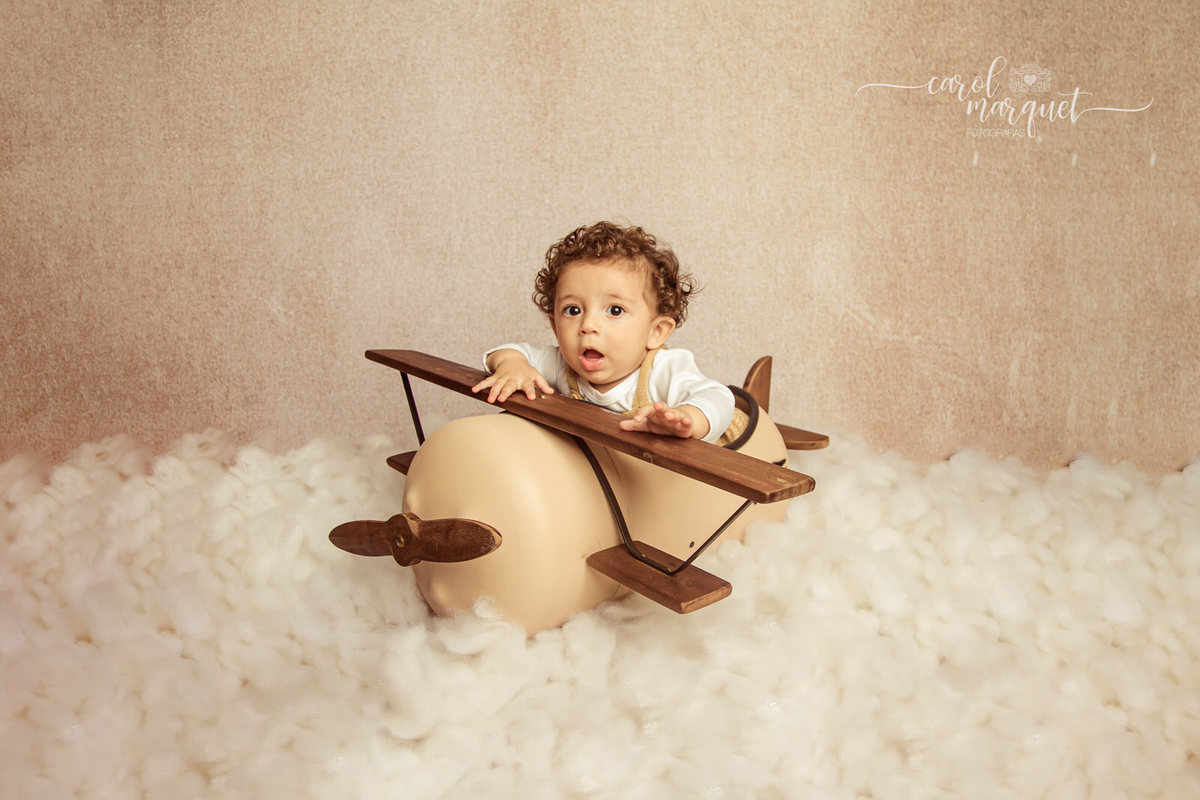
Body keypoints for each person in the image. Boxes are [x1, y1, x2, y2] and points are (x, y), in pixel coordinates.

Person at [471, 221, 745, 445]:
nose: (588, 325)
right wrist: (512, 365)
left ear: (656, 332)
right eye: (573, 310)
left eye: (614, 310)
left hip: (728, 445)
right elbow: (507, 353)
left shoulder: (664, 369)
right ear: (555, 326)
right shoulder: (561, 364)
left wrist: (686, 418)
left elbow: (718, 397)